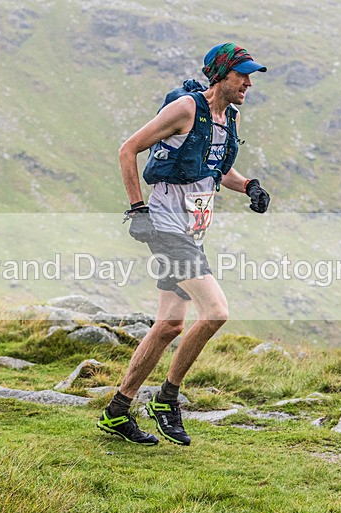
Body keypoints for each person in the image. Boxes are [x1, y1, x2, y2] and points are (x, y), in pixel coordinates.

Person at [97, 43, 270, 446]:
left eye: (251, 76)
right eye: (241, 74)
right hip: (165, 227)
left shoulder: (230, 118)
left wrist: (248, 186)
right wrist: (137, 209)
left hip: (194, 230)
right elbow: (128, 150)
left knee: (170, 325)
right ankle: (167, 398)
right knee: (216, 312)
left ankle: (117, 412)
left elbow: (219, 169)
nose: (248, 83)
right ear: (221, 75)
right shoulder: (186, 109)